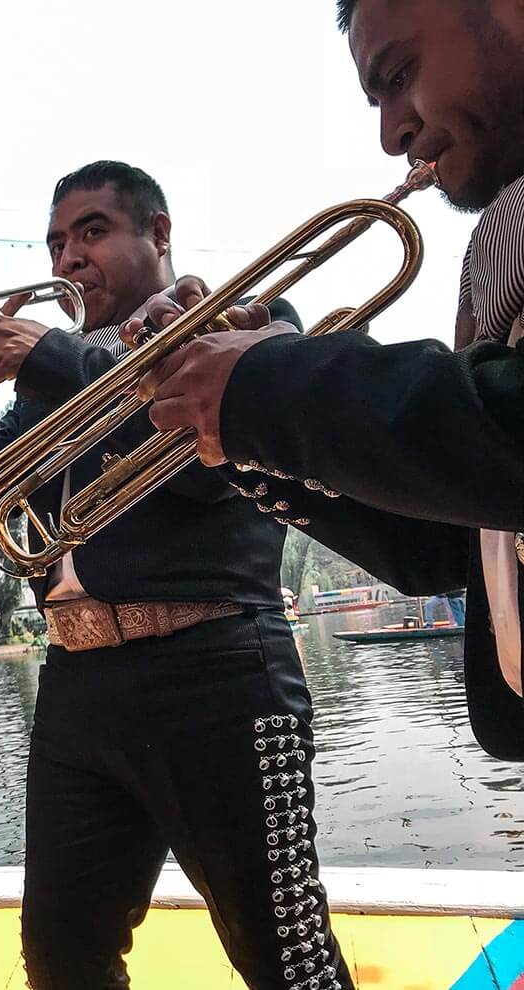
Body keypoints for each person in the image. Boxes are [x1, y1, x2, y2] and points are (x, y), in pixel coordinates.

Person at [0, 161, 353, 988]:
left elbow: (205, 471)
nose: (68, 257)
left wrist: (50, 358)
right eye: (56, 242)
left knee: (288, 962)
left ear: (158, 233)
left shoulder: (242, 320)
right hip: (75, 684)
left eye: (92, 231)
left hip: (218, 674)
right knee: (61, 962)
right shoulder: (48, 378)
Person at [131, 0, 524, 759]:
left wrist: (270, 385)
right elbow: (445, 544)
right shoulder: (495, 259)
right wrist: (233, 421)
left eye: (399, 74)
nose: (391, 134)